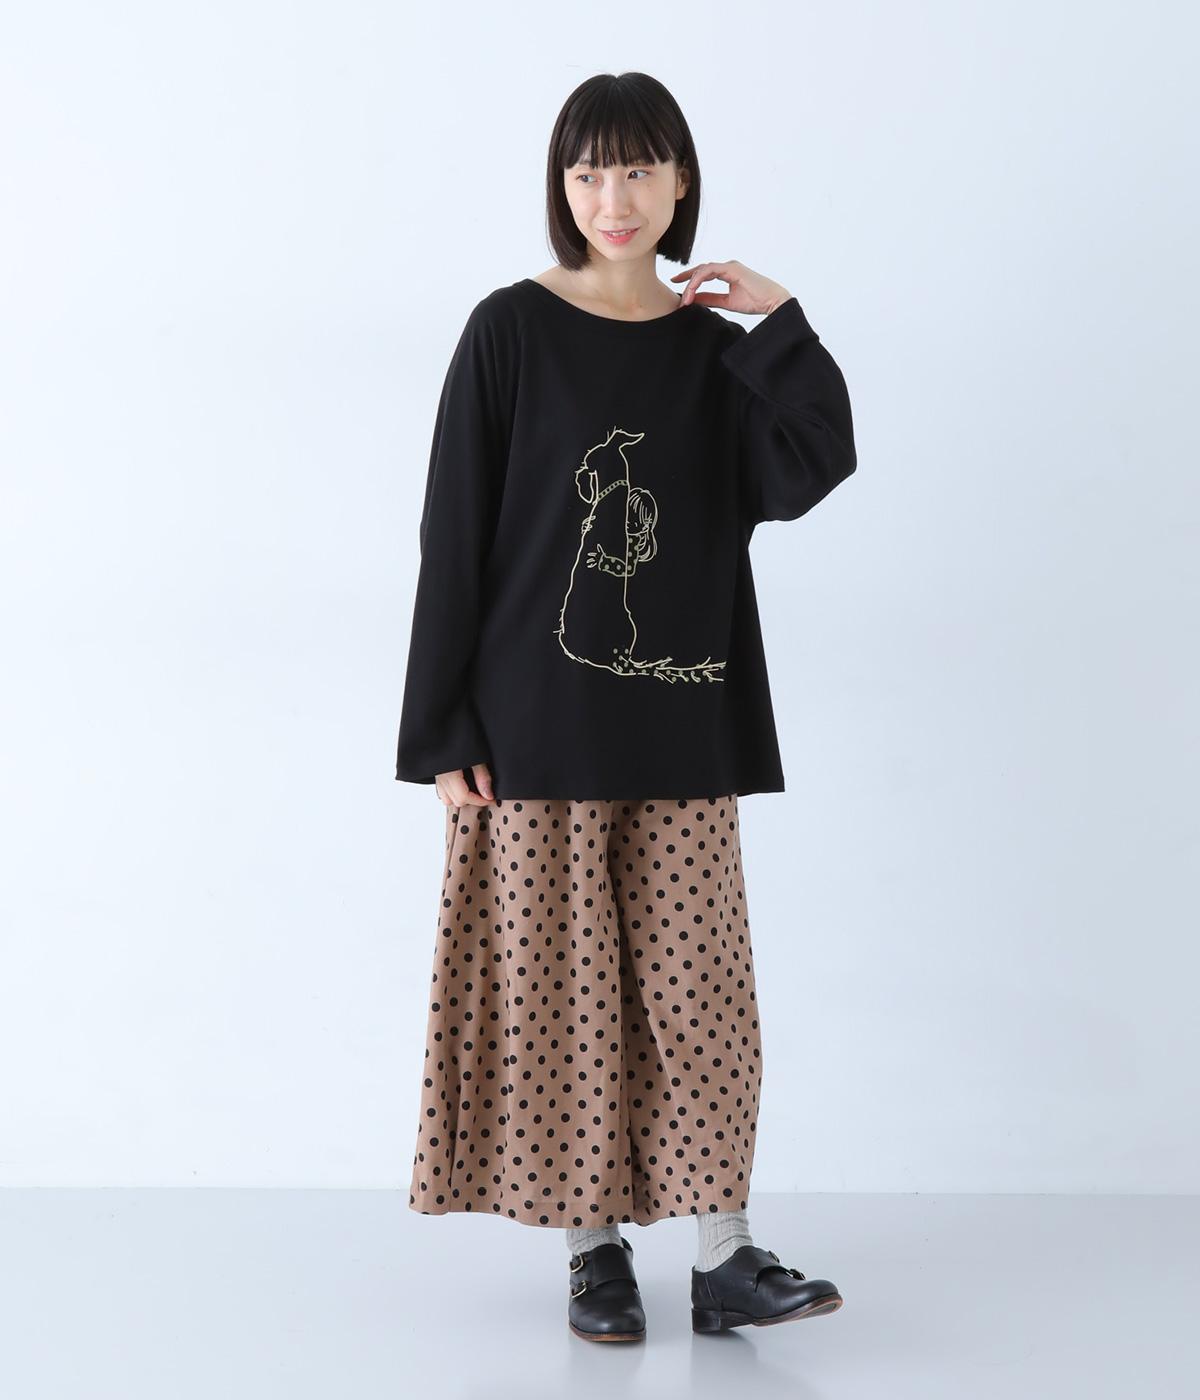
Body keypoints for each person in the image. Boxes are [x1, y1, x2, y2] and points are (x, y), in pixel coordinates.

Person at [394, 71, 857, 1343]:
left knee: (702, 997)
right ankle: (593, 1251)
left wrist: (780, 321)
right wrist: (442, 731)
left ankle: (725, 1253)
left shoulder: (716, 357)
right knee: (566, 1000)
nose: (615, 196)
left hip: (684, 729)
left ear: (681, 181)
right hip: (532, 737)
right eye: (590, 170)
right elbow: (453, 535)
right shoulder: (509, 330)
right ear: (562, 185)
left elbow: (814, 460)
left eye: (640, 168)